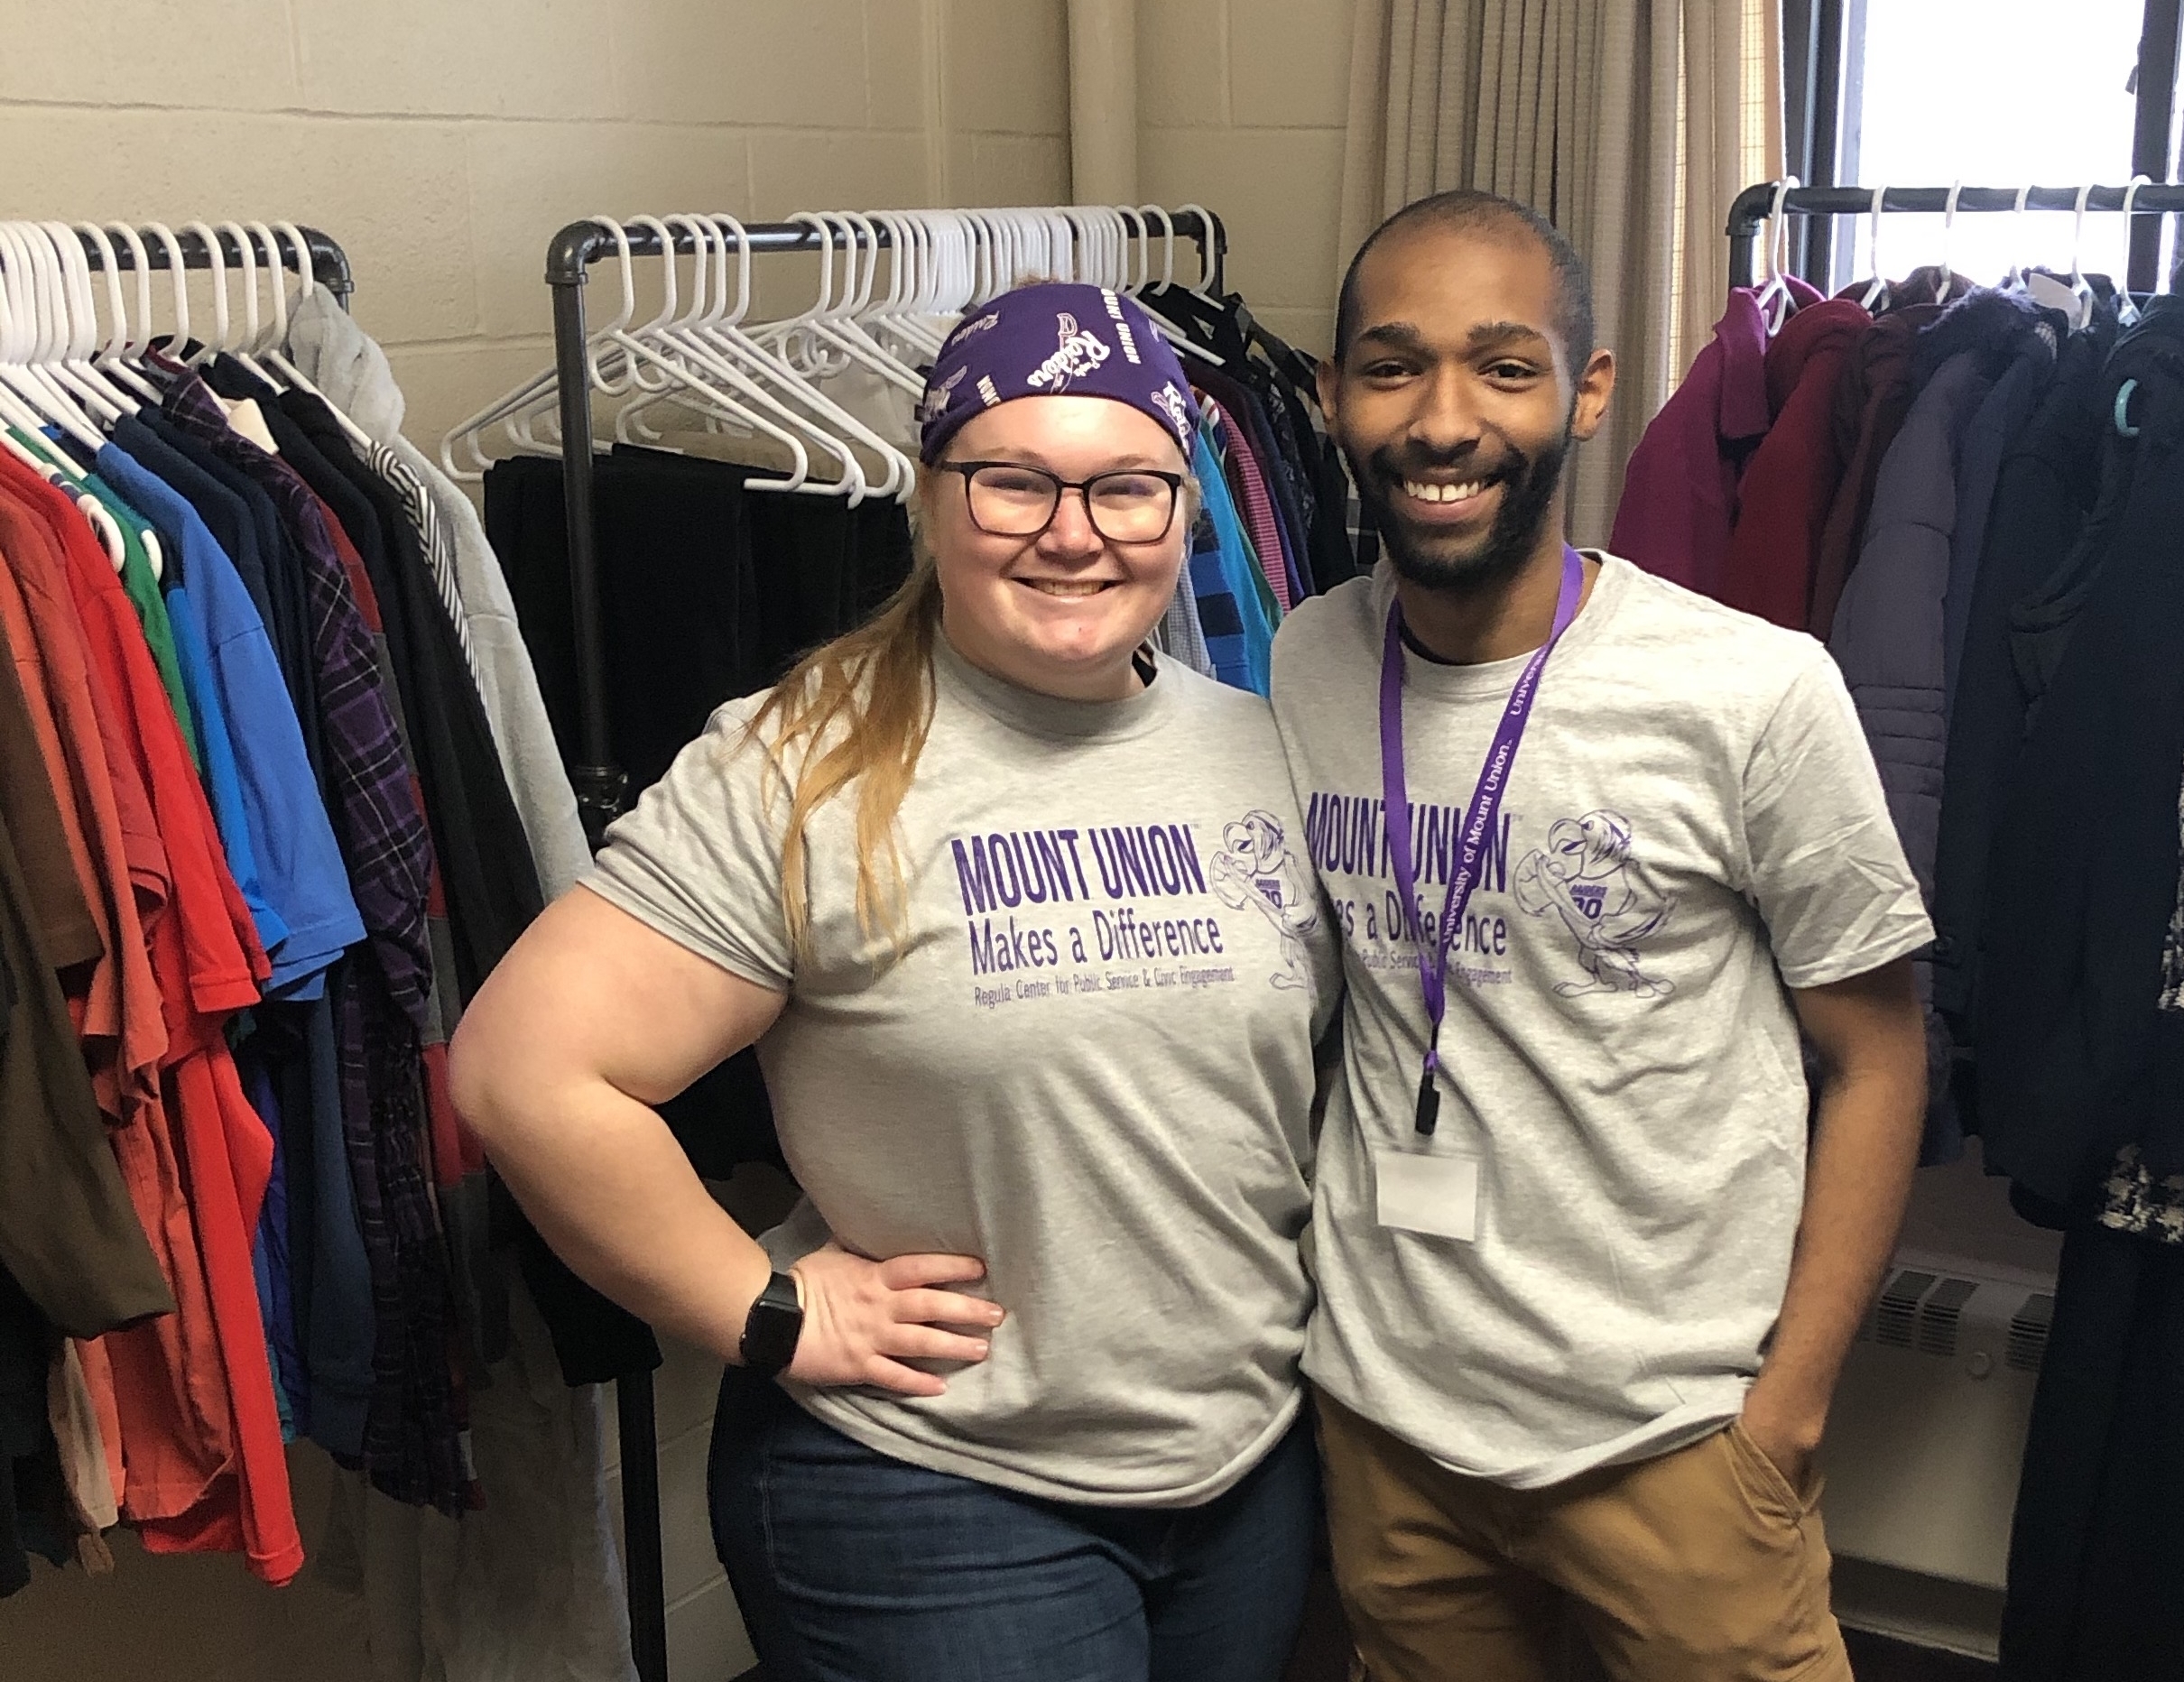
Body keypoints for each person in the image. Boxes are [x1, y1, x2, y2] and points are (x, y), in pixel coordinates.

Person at [449, 283, 1337, 1682]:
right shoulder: (803, 762)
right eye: (1014, 482)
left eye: (1128, 487)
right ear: (930, 498)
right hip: (935, 1487)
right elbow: (524, 1070)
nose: (1073, 530)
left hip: (1239, 1470)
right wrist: (761, 1303)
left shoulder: (1265, 740)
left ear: (1184, 504)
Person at [1272, 190, 1933, 1682]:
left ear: (1586, 390)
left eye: (1503, 367)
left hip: (1674, 1435)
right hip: (1393, 1424)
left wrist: (1790, 1410)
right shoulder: (1306, 659)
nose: (1444, 419)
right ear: (1333, 399)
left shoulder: (1753, 691)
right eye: (1393, 366)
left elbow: (1879, 1055)